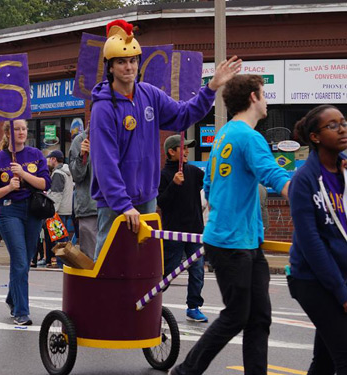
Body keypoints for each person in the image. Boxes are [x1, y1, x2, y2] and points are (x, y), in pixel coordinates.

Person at [89, 19, 241, 260]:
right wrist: (123, 204)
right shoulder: (103, 109)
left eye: (133, 60)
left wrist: (211, 87)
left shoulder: (149, 94)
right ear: (110, 67)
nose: (129, 67)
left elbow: (183, 116)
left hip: (147, 198)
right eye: (121, 62)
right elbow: (105, 162)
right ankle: (99, 299)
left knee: (141, 262)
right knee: (110, 262)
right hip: (114, 203)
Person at [170, 74, 291, 375]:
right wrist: (307, 194)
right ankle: (185, 370)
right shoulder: (249, 137)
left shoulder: (224, 134)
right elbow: (272, 174)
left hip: (243, 241)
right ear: (253, 97)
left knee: (259, 317)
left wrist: (227, 207)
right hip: (232, 243)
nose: (266, 100)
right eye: (264, 93)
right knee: (237, 315)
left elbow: (209, 184)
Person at [288, 104, 347, 374]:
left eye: (343, 122)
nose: (342, 129)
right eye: (332, 126)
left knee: (324, 361)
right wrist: (341, 292)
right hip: (312, 280)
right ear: (315, 137)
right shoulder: (305, 180)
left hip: (341, 276)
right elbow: (311, 242)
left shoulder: (344, 174)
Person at [0, 119, 51, 326]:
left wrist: (23, 174)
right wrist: (8, 188)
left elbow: (44, 183)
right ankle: (22, 312)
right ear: (8, 133)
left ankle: (12, 298)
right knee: (20, 260)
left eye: (24, 129)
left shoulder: (36, 155)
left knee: (26, 259)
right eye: (16, 129)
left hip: (33, 210)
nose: (21, 132)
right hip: (9, 210)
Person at [158, 135, 208, 323]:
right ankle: (152, 300)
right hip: (173, 232)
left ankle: (193, 306)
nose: (187, 151)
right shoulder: (163, 175)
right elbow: (161, 202)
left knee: (197, 270)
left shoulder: (193, 172)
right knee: (168, 271)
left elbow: (210, 183)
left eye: (187, 148)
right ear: (171, 151)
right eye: (183, 148)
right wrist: (174, 185)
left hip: (195, 232)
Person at [68, 128, 97, 259]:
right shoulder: (80, 140)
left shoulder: (115, 136)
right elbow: (77, 175)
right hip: (90, 209)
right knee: (92, 260)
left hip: (114, 208)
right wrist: (81, 156)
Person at [44, 150, 73, 267]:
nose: (48, 161)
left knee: (60, 239)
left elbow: (56, 194)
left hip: (58, 211)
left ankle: (62, 264)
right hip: (66, 208)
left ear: (54, 159)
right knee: (63, 238)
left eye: (49, 158)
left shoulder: (58, 174)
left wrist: (51, 212)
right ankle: (64, 262)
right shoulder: (67, 172)